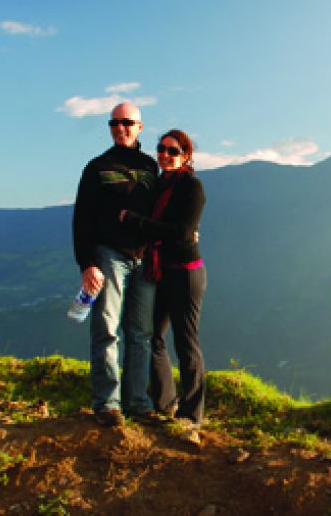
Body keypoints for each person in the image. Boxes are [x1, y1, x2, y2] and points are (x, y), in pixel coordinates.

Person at [72, 102, 159, 427]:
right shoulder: (97, 168)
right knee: (106, 329)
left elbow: (160, 213)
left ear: (140, 127)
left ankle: (138, 403)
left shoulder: (151, 168)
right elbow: (81, 220)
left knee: (141, 334)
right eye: (114, 123)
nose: (120, 128)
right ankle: (108, 404)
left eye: (127, 123)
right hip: (108, 255)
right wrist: (87, 264)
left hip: (144, 258)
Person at [119, 129, 207, 444]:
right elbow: (170, 229)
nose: (165, 155)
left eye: (173, 151)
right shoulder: (159, 186)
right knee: (153, 336)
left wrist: (135, 221)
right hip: (160, 271)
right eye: (161, 149)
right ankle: (166, 402)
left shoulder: (192, 187)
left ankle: (192, 413)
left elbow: (182, 233)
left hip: (185, 273)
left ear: (186, 156)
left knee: (186, 342)